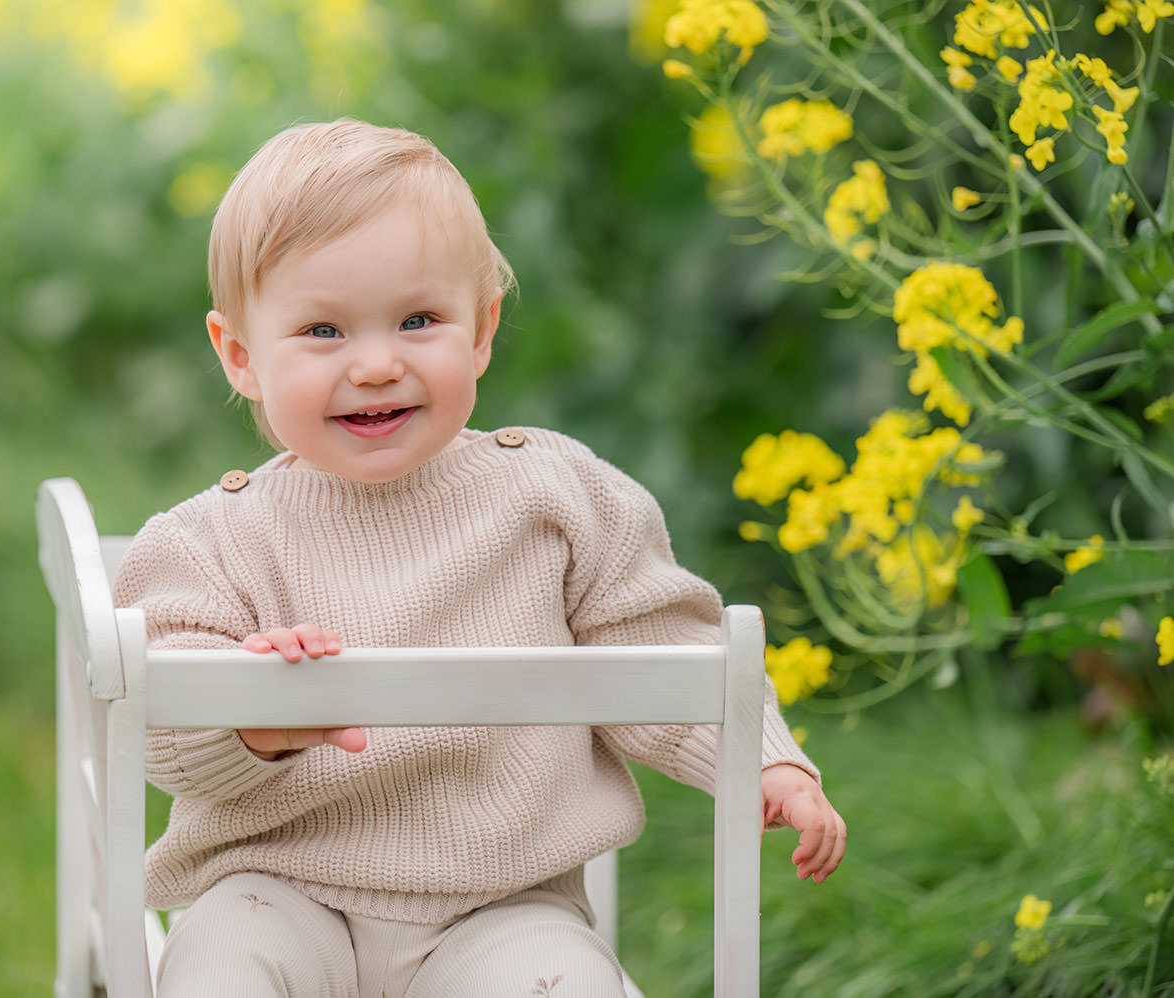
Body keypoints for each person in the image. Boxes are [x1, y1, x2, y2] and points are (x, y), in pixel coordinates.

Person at [112, 118, 846, 998]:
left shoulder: (559, 499)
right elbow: (157, 724)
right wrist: (251, 711)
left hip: (504, 906)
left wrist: (764, 760)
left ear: (483, 330)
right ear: (241, 356)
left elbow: (666, 651)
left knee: (562, 982)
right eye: (322, 331)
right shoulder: (210, 541)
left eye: (418, 320)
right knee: (218, 968)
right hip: (277, 888)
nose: (378, 364)